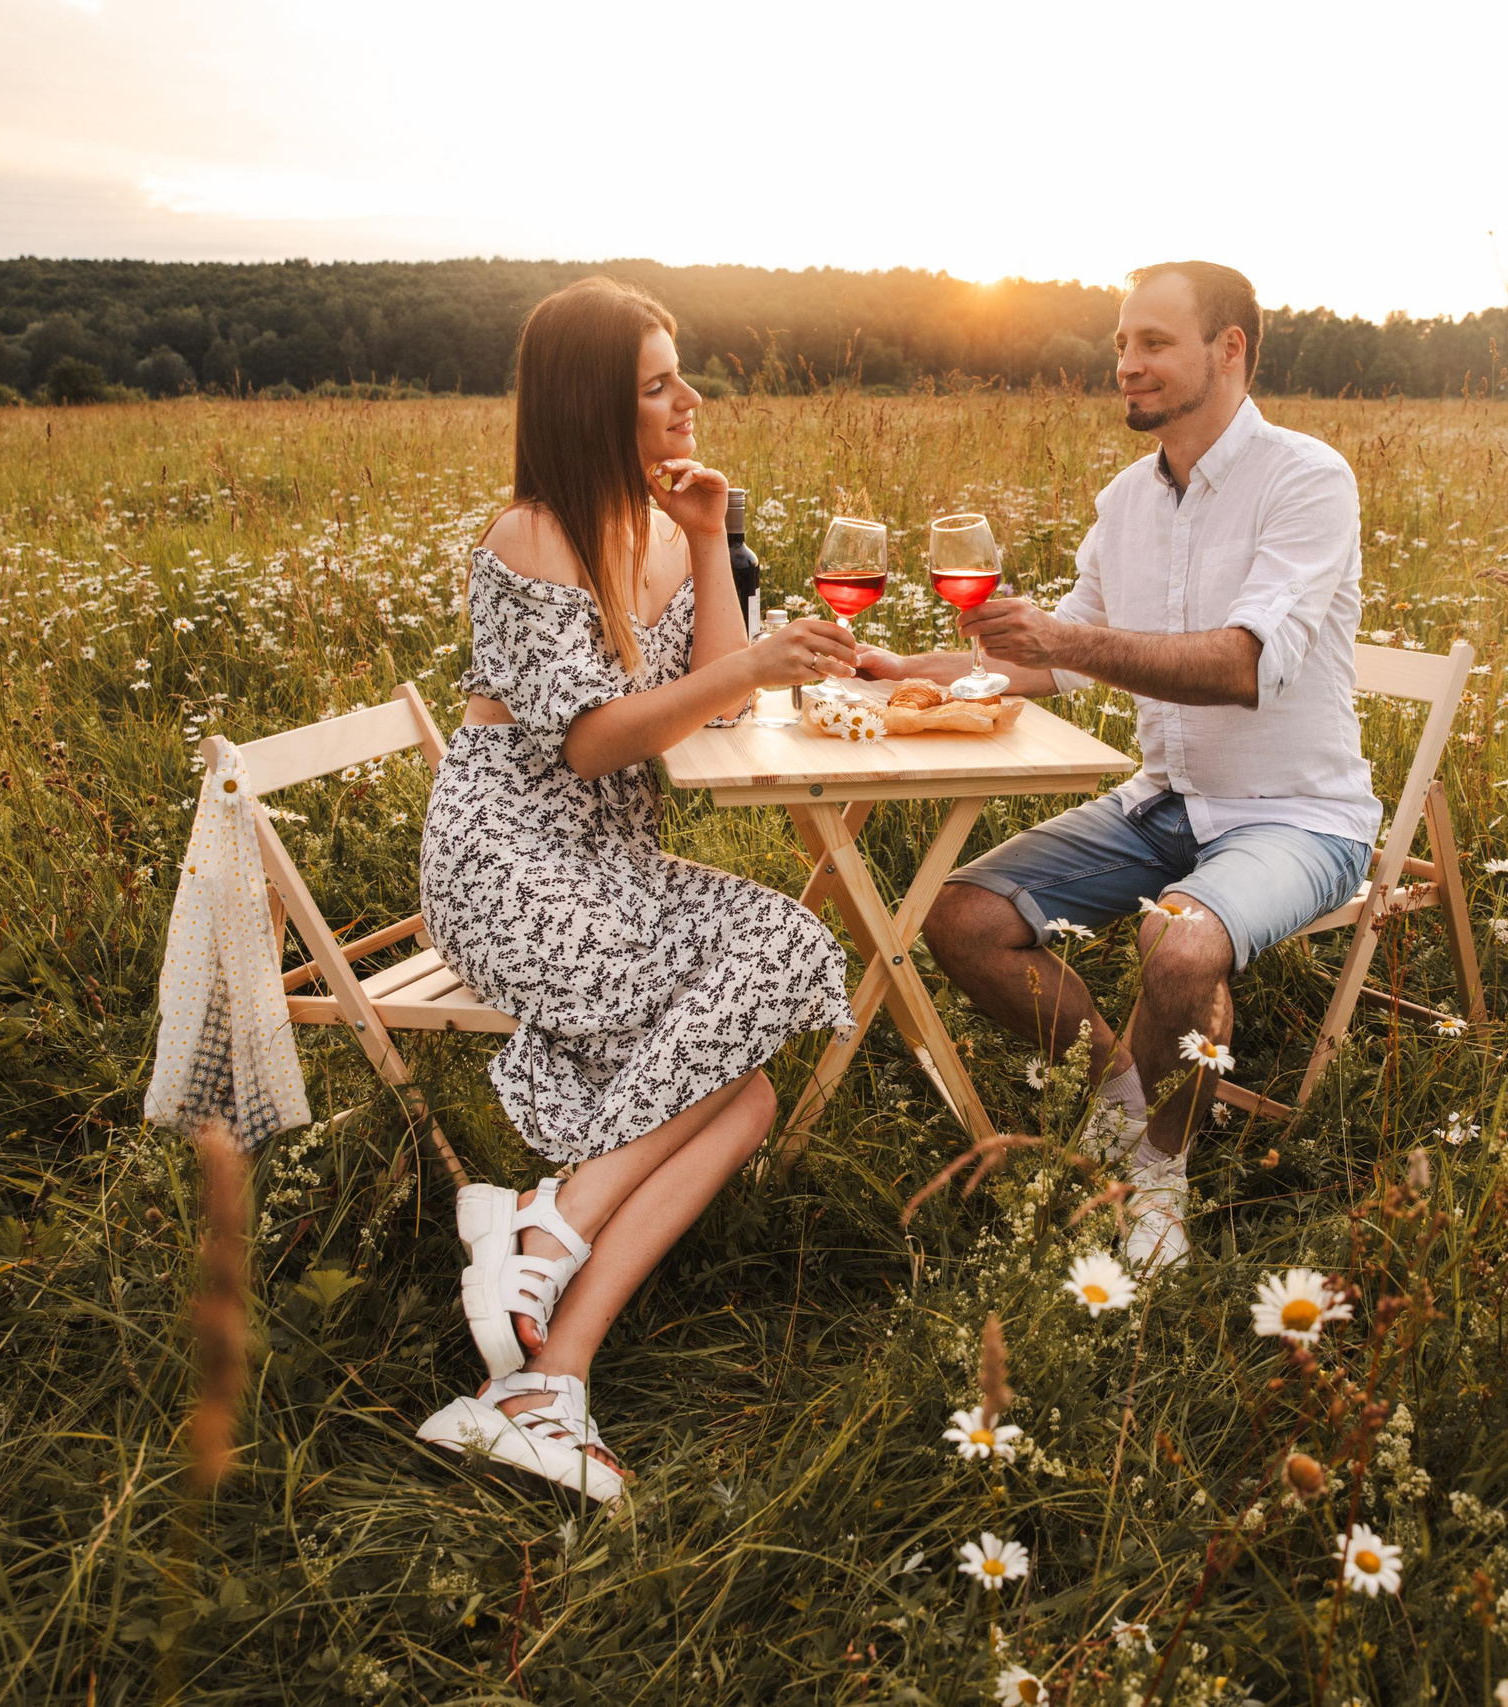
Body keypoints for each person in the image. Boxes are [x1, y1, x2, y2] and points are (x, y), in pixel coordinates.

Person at [413, 277, 860, 1500]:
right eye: (658, 382)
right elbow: (593, 742)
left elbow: (722, 686)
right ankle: (545, 1226)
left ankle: (546, 1377)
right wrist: (759, 658)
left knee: (751, 1087)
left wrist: (713, 538)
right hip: (508, 867)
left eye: (681, 375)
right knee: (780, 959)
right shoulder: (535, 536)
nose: (688, 398)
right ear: (591, 402)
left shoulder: (662, 527)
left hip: (605, 866)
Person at [861, 261, 1375, 1276]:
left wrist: (1066, 639)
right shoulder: (1125, 501)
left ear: (1228, 350)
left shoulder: (1306, 480)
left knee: (1178, 951)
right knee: (959, 919)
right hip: (1167, 802)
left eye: (1152, 344)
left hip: (1297, 818)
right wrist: (894, 671)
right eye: (1120, 346)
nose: (1126, 366)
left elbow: (1241, 665)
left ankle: (1158, 1180)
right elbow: (1045, 658)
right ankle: (1125, 1102)